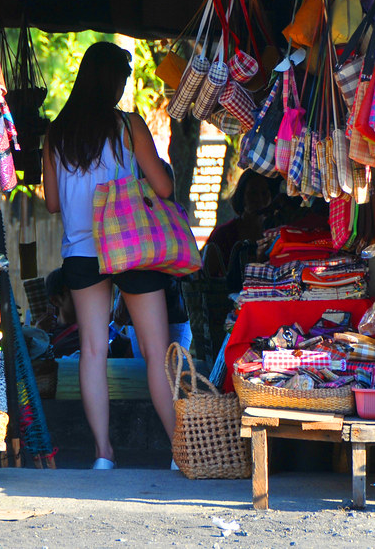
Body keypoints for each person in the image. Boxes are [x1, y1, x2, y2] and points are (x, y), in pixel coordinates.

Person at [42, 41, 177, 470]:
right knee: (156, 353)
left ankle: (103, 454)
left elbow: (51, 203)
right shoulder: (128, 125)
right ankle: (180, 450)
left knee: (93, 352)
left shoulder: (56, 132)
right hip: (130, 246)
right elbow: (164, 188)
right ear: (110, 80)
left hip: (81, 250)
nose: (122, 88)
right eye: (120, 78)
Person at [204, 170, 274, 279]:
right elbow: (209, 277)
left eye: (264, 193)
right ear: (242, 196)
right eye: (253, 193)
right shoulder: (223, 234)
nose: (259, 199)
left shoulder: (277, 233)